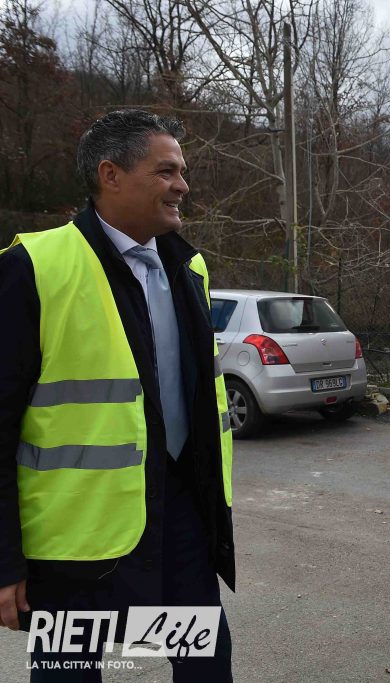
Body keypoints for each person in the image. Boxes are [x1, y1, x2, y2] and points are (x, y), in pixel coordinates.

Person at [0, 110, 235, 681]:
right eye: (166, 171)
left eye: (181, 171)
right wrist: (4, 560)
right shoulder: (33, 268)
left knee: (205, 664)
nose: (183, 185)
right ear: (111, 175)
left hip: (179, 523)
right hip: (75, 549)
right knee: (69, 671)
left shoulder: (189, 268)